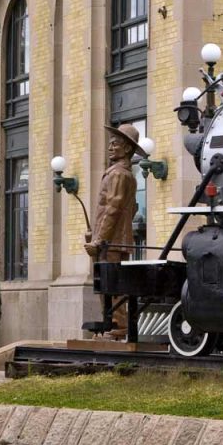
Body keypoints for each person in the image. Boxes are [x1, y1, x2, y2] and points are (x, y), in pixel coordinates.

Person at [85, 123, 143, 339]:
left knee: (111, 284)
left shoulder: (119, 175)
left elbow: (113, 208)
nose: (110, 148)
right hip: (112, 239)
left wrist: (100, 240)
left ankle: (118, 326)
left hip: (111, 241)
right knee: (108, 284)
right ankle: (114, 324)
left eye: (115, 144)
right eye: (110, 144)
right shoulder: (121, 174)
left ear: (127, 149)